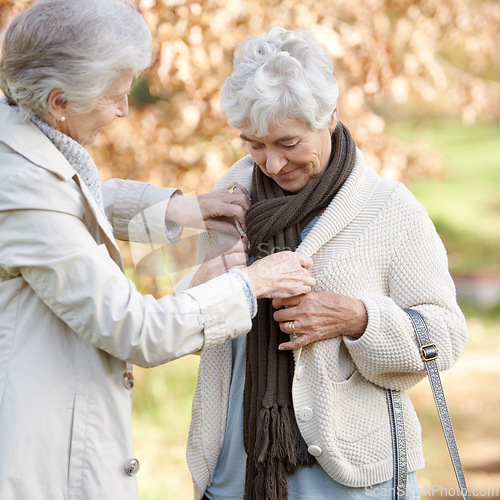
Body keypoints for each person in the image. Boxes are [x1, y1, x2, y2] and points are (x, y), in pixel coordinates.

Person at [0, 4, 315, 499]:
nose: (124, 109)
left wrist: (178, 208)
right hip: (34, 458)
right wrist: (250, 285)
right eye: (115, 95)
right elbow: (137, 330)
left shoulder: (20, 137)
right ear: (60, 100)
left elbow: (77, 197)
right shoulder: (20, 192)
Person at [183, 27, 469, 500]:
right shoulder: (230, 196)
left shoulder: (388, 208)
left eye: (288, 143)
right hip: (236, 471)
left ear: (330, 116)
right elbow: (189, 320)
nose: (271, 163)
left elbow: (446, 334)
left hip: (353, 477)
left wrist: (358, 318)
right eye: (255, 144)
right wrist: (211, 285)